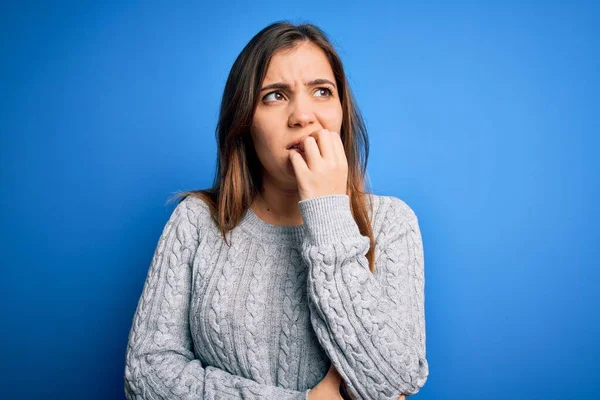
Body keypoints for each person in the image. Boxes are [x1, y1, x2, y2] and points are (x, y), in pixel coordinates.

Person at [124, 20, 429, 400]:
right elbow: (146, 374)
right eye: (275, 95)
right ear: (244, 122)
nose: (303, 116)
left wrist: (329, 213)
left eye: (322, 91)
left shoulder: (391, 224)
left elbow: (392, 381)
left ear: (342, 112)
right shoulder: (196, 221)